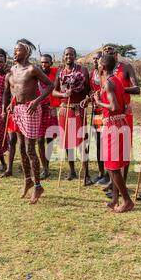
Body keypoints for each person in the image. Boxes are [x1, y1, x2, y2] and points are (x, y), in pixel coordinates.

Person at [3, 39, 54, 204]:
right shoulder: (13, 69)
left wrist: (37, 101)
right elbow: (14, 90)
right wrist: (10, 104)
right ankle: (27, 180)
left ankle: (38, 185)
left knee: (30, 149)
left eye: (18, 49)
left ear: (26, 52)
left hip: (30, 109)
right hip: (17, 110)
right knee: (21, 148)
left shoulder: (33, 69)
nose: (15, 51)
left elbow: (50, 85)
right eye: (14, 49)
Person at [84, 54, 134, 213]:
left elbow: (114, 106)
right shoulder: (113, 80)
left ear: (102, 67)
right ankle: (114, 199)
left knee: (112, 166)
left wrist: (98, 102)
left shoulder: (109, 83)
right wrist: (93, 100)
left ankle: (127, 201)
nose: (96, 66)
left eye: (98, 64)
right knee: (113, 164)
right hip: (117, 124)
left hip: (114, 124)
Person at [52, 47, 92, 185]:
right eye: (66, 54)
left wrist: (80, 91)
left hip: (78, 110)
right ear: (63, 56)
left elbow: (88, 90)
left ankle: (85, 173)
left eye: (71, 54)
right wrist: (64, 94)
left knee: (82, 142)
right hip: (64, 110)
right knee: (67, 142)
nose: (69, 56)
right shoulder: (60, 72)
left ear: (75, 56)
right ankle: (72, 170)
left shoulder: (83, 71)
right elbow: (54, 92)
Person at [102, 44, 140, 187]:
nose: (108, 53)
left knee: (124, 147)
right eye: (105, 51)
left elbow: (137, 89)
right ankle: (112, 180)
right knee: (109, 148)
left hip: (124, 113)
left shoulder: (126, 67)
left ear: (116, 53)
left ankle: (121, 181)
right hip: (107, 114)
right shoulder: (104, 70)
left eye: (110, 51)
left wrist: (118, 88)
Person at [89, 51, 110, 186]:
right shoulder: (92, 74)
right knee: (98, 142)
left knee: (106, 142)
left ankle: (109, 173)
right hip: (96, 112)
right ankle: (100, 172)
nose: (95, 61)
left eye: (98, 59)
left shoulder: (106, 76)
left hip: (106, 112)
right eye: (94, 59)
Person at [38, 54, 59, 179]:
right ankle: (44, 168)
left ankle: (47, 164)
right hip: (39, 109)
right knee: (40, 139)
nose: (44, 64)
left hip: (51, 109)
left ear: (51, 63)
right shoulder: (36, 74)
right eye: (42, 62)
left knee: (50, 139)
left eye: (46, 62)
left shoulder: (56, 72)